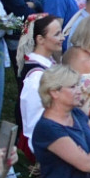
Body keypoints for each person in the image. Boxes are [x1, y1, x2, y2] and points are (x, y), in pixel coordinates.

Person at [16, 14, 64, 157]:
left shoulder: (48, 63)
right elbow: (33, 118)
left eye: (61, 32)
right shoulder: (36, 76)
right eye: (57, 34)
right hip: (42, 143)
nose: (62, 38)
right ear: (40, 39)